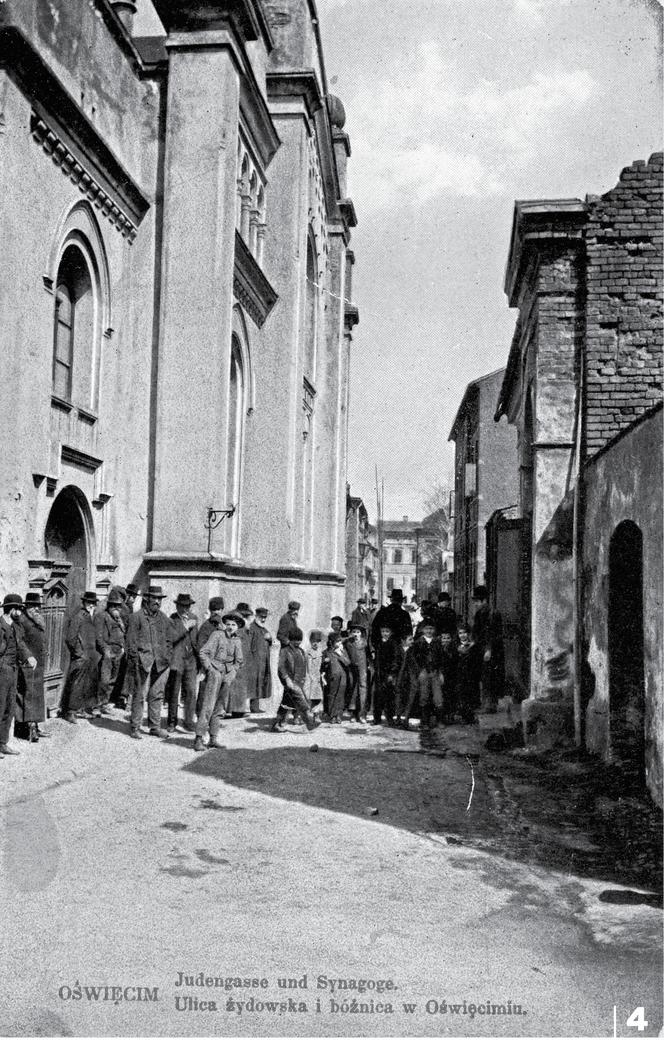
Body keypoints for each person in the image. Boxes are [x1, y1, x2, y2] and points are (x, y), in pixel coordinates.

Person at [126, 585, 173, 739]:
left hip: (161, 662)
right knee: (139, 695)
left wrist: (168, 657)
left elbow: (169, 640)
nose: (157, 602)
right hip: (142, 662)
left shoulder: (164, 618)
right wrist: (135, 660)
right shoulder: (136, 617)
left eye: (159, 599)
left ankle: (155, 727)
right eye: (154, 598)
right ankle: (135, 727)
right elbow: (130, 642)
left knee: (157, 694)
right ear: (147, 598)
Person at [195, 611, 244, 751]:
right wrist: (210, 669)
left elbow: (239, 661)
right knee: (208, 706)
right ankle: (198, 739)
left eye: (234, 624)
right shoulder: (217, 635)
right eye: (228, 624)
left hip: (227, 675)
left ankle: (213, 738)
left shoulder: (237, 641)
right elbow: (203, 652)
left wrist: (232, 672)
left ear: (238, 627)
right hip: (214, 673)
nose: (230, 627)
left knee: (219, 708)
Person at [0, 594, 37, 755]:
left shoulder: (16, 626)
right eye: (19, 609)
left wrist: (29, 656)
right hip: (2, 670)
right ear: (11, 609)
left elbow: (20, 644)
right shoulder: (1, 625)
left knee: (9, 707)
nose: (21, 612)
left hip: (13, 670)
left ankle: (2, 743)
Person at [60, 592, 100, 723]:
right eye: (89, 603)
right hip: (81, 657)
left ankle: (81, 709)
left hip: (90, 657)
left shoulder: (91, 617)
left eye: (93, 603)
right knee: (76, 684)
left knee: (87, 684)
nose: (91, 605)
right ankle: (70, 712)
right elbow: (71, 638)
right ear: (84, 603)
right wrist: (79, 653)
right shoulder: (79, 616)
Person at [15, 592, 47, 742]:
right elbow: (19, 642)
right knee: (28, 695)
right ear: (26, 606)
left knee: (36, 696)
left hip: (38, 663)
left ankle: (35, 726)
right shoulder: (22, 620)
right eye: (33, 606)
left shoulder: (37, 620)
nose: (36, 609)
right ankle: (28, 729)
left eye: (37, 606)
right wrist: (28, 656)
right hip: (28, 663)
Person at [273, 627, 318, 732]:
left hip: (300, 681)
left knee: (287, 702)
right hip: (290, 681)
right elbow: (281, 667)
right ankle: (309, 722)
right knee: (302, 701)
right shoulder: (285, 651)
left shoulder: (301, 651)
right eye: (295, 640)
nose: (298, 642)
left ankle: (278, 723)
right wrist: (286, 679)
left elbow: (304, 665)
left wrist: (305, 678)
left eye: (299, 640)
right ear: (290, 640)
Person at [166, 593, 199, 732]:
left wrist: (199, 660)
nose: (186, 609)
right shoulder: (172, 619)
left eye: (188, 606)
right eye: (183, 606)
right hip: (177, 660)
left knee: (191, 691)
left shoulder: (194, 618)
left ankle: (188, 721)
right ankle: (172, 722)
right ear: (177, 606)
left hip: (191, 660)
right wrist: (185, 627)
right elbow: (172, 638)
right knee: (174, 691)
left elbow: (196, 640)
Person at [471, 585, 505, 713]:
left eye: (477, 601)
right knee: (486, 676)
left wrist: (488, 649)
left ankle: (489, 705)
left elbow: (492, 633)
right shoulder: (481, 613)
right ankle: (489, 704)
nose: (475, 604)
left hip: (490, 650)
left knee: (489, 677)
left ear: (484, 600)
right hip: (483, 649)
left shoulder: (492, 613)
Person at [93, 590, 126, 717]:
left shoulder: (119, 619)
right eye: (113, 605)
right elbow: (98, 636)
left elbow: (122, 634)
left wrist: (122, 648)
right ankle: (97, 705)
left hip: (118, 651)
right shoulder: (102, 616)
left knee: (113, 679)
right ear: (109, 605)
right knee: (104, 679)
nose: (116, 608)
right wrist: (105, 650)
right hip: (107, 651)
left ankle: (104, 703)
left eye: (118, 605)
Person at [409, 618, 444, 732]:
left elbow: (441, 659)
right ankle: (425, 722)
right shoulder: (418, 643)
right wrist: (419, 671)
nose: (429, 631)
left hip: (435, 672)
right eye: (427, 628)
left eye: (431, 628)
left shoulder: (437, 642)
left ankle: (439, 721)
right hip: (423, 672)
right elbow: (413, 659)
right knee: (424, 696)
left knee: (438, 697)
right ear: (422, 630)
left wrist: (441, 672)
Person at [195, 596, 225, 715]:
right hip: (208, 665)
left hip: (220, 665)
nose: (216, 613)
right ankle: (200, 715)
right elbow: (200, 648)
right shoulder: (206, 626)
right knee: (204, 691)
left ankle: (213, 717)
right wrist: (206, 665)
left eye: (218, 610)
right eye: (214, 610)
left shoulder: (222, 627)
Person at [114, 582, 140, 710]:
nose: (134, 598)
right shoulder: (125, 608)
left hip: (127, 641)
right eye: (132, 596)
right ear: (128, 595)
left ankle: (121, 697)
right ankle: (121, 697)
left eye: (135, 596)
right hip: (124, 642)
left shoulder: (129, 608)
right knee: (125, 671)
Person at [372, 624, 400, 727]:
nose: (385, 634)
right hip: (379, 673)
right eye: (383, 631)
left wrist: (392, 673)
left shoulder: (393, 644)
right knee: (378, 696)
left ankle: (389, 717)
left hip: (388, 674)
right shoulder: (379, 643)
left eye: (387, 632)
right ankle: (377, 718)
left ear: (391, 633)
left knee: (389, 696)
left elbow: (396, 659)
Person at [247, 607, 273, 713]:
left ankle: (255, 706)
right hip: (254, 661)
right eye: (261, 617)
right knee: (254, 683)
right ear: (256, 616)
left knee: (260, 682)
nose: (263, 620)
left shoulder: (263, 629)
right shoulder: (252, 628)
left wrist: (270, 639)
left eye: (265, 617)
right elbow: (249, 644)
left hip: (263, 661)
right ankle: (253, 707)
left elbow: (269, 641)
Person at [321, 634, 350, 724]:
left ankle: (338, 715)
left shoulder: (342, 651)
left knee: (340, 696)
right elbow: (322, 666)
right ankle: (332, 715)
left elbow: (348, 663)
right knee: (332, 695)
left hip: (343, 677)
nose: (339, 643)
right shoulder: (326, 652)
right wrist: (325, 662)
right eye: (337, 641)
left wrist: (340, 654)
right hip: (332, 677)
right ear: (331, 642)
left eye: (340, 641)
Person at [456, 622, 482, 724]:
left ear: (469, 634)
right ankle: (463, 715)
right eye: (460, 633)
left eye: (465, 633)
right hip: (460, 675)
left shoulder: (474, 646)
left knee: (471, 694)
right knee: (462, 695)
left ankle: (470, 716)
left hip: (471, 674)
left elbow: (477, 660)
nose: (462, 635)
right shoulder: (456, 646)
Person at [345, 624, 369, 723]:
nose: (356, 634)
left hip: (362, 669)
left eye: (358, 632)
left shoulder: (365, 643)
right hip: (352, 669)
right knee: (353, 689)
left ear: (361, 634)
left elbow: (369, 655)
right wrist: (348, 637)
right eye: (354, 632)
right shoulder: (349, 643)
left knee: (362, 688)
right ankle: (353, 714)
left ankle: (362, 714)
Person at [304, 629, 325, 723]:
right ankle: (309, 716)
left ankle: (316, 715)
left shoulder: (320, 652)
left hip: (319, 677)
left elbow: (322, 665)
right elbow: (308, 667)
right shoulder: (309, 652)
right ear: (310, 641)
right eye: (313, 641)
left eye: (317, 641)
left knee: (318, 697)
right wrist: (311, 677)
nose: (315, 643)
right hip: (311, 677)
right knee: (310, 697)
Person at [439, 630, 459, 724]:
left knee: (451, 695)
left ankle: (451, 715)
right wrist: (440, 673)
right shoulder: (438, 649)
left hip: (452, 675)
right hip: (441, 675)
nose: (446, 640)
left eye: (448, 638)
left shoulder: (454, 649)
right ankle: (442, 717)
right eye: (444, 638)